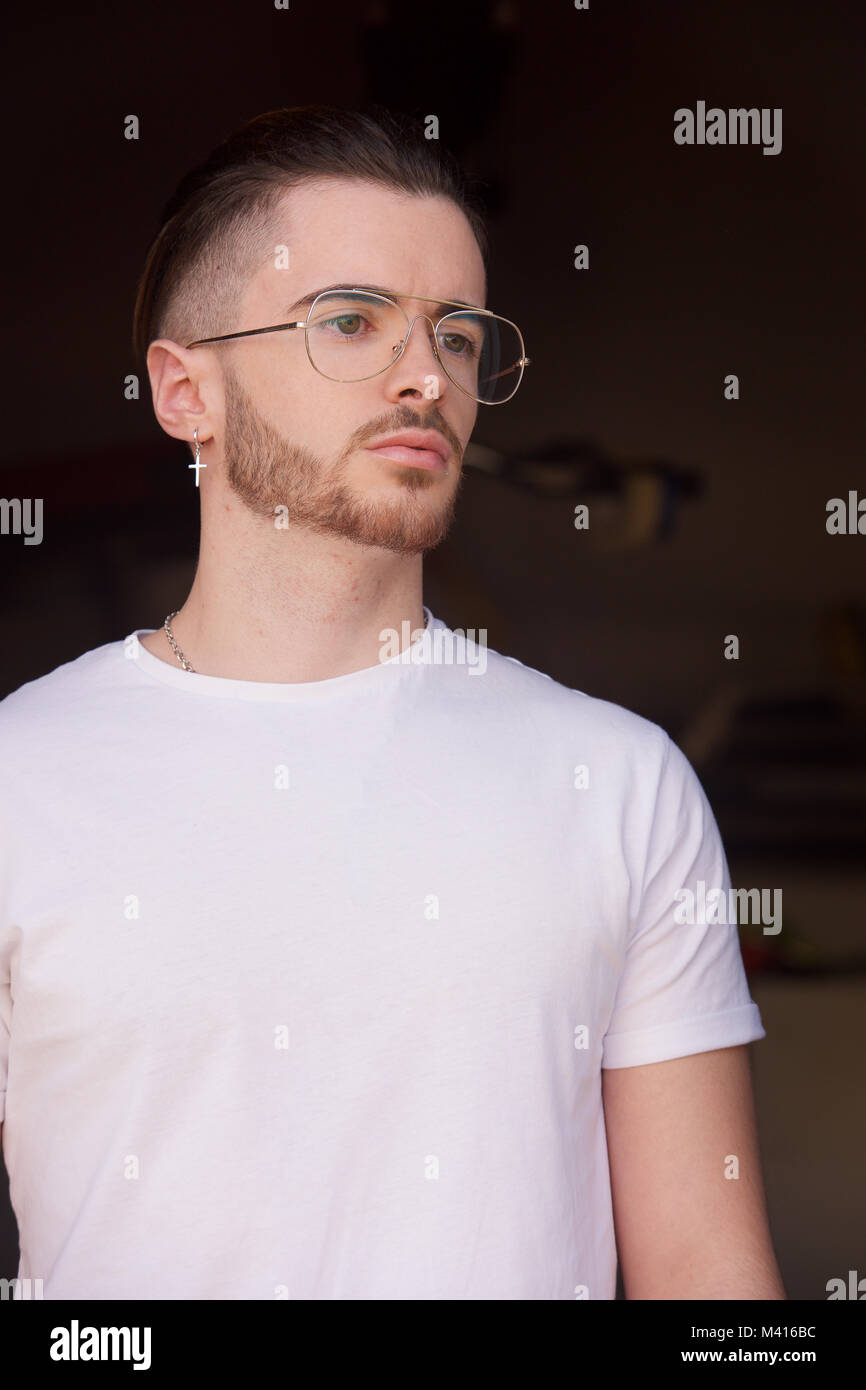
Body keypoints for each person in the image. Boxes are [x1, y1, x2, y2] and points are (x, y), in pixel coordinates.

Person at [0, 104, 785, 1300]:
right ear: (183, 391)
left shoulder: (619, 784)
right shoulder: (20, 779)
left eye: (457, 336)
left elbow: (706, 1283)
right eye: (351, 322)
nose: (425, 376)